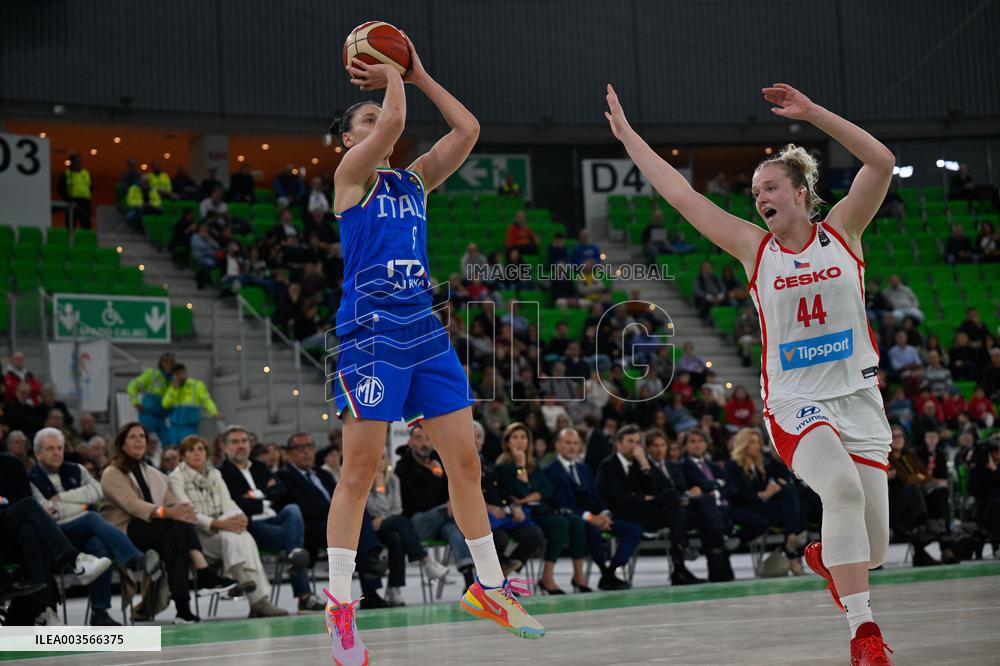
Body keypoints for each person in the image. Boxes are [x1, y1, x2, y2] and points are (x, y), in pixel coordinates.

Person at [605, 82, 896, 660]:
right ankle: (865, 635)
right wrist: (631, 140)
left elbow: (881, 161)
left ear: (800, 192)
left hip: (858, 400)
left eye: (770, 187)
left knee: (875, 548)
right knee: (837, 490)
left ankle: (825, 559)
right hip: (795, 404)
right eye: (754, 189)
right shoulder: (752, 249)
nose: (758, 195)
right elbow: (682, 198)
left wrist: (812, 113)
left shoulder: (844, 231)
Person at [326, 35, 544, 662]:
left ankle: (490, 587)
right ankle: (341, 607)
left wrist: (417, 73)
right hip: (371, 334)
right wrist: (394, 78)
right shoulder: (349, 178)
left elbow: (468, 128)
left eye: (377, 119)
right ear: (349, 141)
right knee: (361, 470)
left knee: (467, 462)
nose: (380, 125)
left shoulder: (415, 180)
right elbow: (391, 120)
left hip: (423, 332)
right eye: (363, 122)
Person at [100, 423, 239, 624]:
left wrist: (183, 510)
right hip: (125, 532)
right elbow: (132, 505)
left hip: (156, 530)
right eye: (133, 437)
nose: (139, 440)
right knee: (173, 527)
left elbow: (170, 500)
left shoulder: (152, 473)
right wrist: (167, 512)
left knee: (176, 539)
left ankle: (184, 610)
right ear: (122, 444)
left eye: (142, 436)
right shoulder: (111, 473)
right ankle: (203, 573)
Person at [30, 428, 160, 625]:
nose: (57, 453)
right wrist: (81, 504)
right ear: (38, 453)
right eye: (50, 449)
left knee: (100, 548)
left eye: (60, 448)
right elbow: (45, 511)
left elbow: (97, 492)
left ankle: (99, 613)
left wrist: (61, 499)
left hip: (83, 531)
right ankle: (135, 559)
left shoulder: (77, 469)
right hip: (55, 536)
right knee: (91, 516)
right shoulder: (30, 479)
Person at [168, 436, 287, 617]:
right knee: (238, 537)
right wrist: (218, 523)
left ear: (206, 453)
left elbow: (228, 503)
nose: (197, 453)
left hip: (223, 531)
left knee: (241, 534)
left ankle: (239, 581)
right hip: (197, 538)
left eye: (200, 449)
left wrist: (239, 518)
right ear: (183, 456)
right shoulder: (176, 477)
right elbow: (187, 512)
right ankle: (257, 600)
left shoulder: (215, 474)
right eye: (191, 450)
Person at [216, 426, 319, 613]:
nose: (241, 446)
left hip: (274, 518)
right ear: (224, 447)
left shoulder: (260, 467)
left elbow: (281, 490)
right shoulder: (221, 473)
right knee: (292, 538)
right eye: (235, 442)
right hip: (249, 524)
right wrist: (265, 497)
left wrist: (256, 495)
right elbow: (236, 503)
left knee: (293, 509)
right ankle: (303, 593)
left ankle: (294, 553)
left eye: (244, 441)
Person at [1, 453, 113, 626]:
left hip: (11, 533)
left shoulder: (12, 464)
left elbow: (21, 499)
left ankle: (45, 610)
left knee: (32, 532)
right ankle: (75, 561)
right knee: (29, 506)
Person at [276, 432, 382, 610]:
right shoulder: (284, 476)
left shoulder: (322, 474)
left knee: (359, 515)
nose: (306, 452)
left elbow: (344, 499)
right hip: (311, 529)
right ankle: (371, 568)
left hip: (333, 522)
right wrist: (335, 509)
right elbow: (301, 506)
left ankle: (370, 587)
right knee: (352, 521)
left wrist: (341, 510)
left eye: (310, 447)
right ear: (289, 453)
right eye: (300, 448)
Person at [595, 425, 702, 585]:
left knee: (672, 499)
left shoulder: (640, 462)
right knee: (673, 505)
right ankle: (680, 557)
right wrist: (644, 498)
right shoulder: (608, 465)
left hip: (642, 512)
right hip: (619, 513)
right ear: (618, 443)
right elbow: (618, 498)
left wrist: (645, 464)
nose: (634, 446)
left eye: (637, 442)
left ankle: (679, 565)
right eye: (630, 441)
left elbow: (660, 488)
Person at [543, 427, 636, 590]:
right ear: (558, 445)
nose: (572, 447)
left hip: (596, 517)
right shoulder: (550, 471)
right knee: (591, 529)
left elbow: (596, 497)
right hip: (575, 519)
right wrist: (592, 518)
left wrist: (604, 513)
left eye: (576, 443)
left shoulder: (585, 469)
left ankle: (612, 570)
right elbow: (561, 503)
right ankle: (605, 573)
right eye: (567, 443)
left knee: (634, 529)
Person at [494, 422, 581, 594]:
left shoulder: (534, 465)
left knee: (565, 522)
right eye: (515, 438)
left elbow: (546, 491)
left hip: (535, 511)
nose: (520, 442)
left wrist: (527, 496)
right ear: (507, 442)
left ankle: (546, 575)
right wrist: (520, 468)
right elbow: (519, 490)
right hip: (516, 516)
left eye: (524, 437)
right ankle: (500, 578)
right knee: (554, 525)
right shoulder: (502, 467)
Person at [364, 455, 449, 606]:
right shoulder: (363, 481)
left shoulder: (394, 479)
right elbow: (371, 507)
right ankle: (426, 561)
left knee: (396, 537)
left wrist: (384, 518)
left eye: (382, 458)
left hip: (387, 523)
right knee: (401, 522)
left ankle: (394, 588)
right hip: (369, 527)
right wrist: (378, 484)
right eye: (375, 458)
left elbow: (398, 508)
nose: (379, 462)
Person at [724, 428, 807, 575]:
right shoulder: (733, 465)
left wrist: (775, 488)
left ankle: (791, 539)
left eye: (758, 442)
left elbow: (783, 478)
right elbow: (734, 494)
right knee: (792, 508)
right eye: (752, 442)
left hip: (763, 507)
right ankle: (792, 543)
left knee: (791, 493)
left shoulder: (762, 464)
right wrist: (762, 494)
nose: (757, 446)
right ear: (743, 444)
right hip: (746, 508)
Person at [160, 364, 221, 445]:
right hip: (174, 427)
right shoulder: (173, 388)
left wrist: (215, 412)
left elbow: (207, 400)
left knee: (188, 447)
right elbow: (165, 404)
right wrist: (174, 390)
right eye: (177, 375)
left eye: (181, 373)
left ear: (185, 373)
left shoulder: (196, 385)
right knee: (173, 449)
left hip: (189, 427)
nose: (180, 377)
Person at [127, 353, 176, 445]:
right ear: (161, 363)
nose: (168, 365)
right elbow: (132, 385)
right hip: (149, 415)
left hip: (164, 418)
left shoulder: (174, 380)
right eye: (166, 361)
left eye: (171, 362)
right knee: (145, 442)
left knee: (169, 444)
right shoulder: (151, 374)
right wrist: (136, 402)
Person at [56, 152, 92, 229]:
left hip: (85, 202)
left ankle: (85, 239)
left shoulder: (86, 173)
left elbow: (91, 187)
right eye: (76, 162)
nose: (78, 163)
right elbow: (60, 188)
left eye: (79, 161)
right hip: (72, 202)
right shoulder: (66, 174)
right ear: (71, 163)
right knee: (70, 224)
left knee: (86, 224)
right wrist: (67, 198)